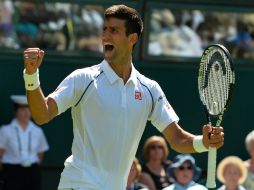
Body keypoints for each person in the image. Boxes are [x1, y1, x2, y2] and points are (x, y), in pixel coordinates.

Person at [22, 4, 224, 190]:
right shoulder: (83, 79)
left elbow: (177, 138)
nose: (105, 37)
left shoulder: (150, 89)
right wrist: (31, 76)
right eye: (105, 30)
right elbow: (43, 114)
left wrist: (203, 142)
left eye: (114, 30)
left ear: (132, 38)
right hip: (79, 183)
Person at [0, 95, 49, 190]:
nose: (26, 113)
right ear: (16, 111)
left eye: (28, 109)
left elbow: (41, 152)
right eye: (22, 109)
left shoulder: (37, 131)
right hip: (12, 171)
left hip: (32, 171)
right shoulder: (5, 130)